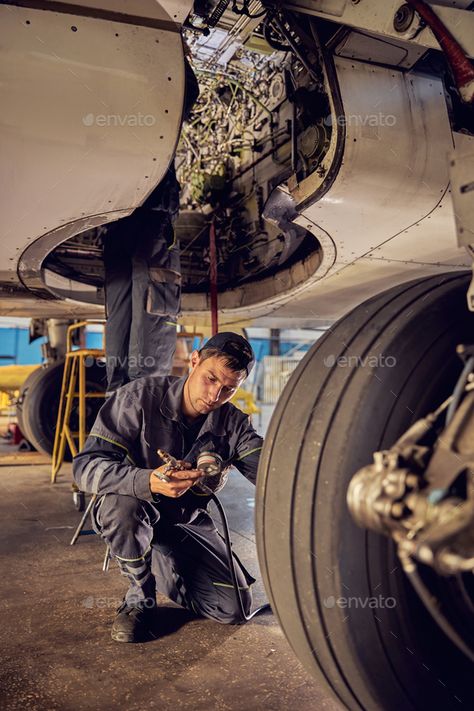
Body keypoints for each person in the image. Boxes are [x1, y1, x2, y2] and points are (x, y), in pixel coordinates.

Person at [72, 332, 263, 643]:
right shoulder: (138, 398)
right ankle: (140, 593)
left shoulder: (235, 425)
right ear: (194, 361)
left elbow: (276, 474)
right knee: (123, 506)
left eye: (229, 389)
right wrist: (147, 481)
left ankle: (162, 560)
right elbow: (85, 467)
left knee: (234, 608)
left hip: (185, 523)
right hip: (132, 509)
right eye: (210, 378)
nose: (215, 395)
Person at [102, 57, 199, 392]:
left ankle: (122, 404)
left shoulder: (111, 115)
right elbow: (188, 91)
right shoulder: (159, 113)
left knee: (121, 314)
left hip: (114, 220)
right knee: (154, 306)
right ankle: (138, 402)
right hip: (150, 215)